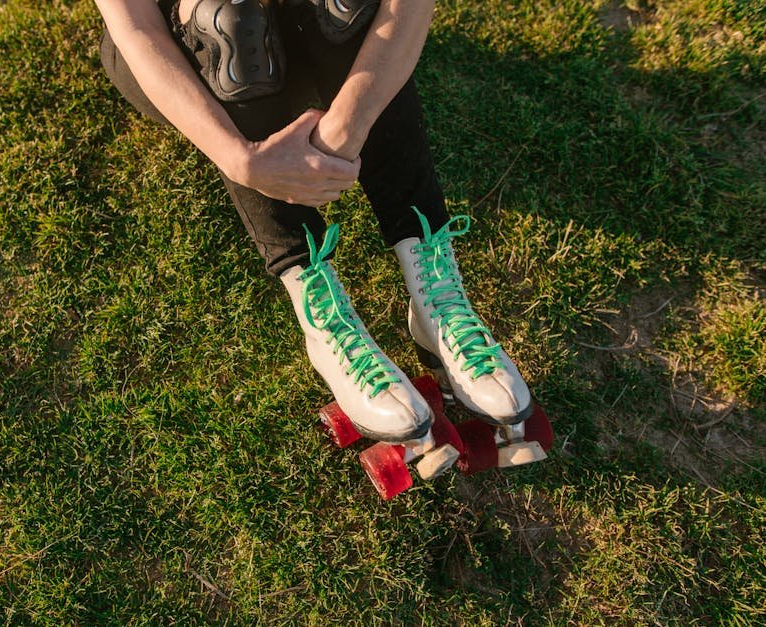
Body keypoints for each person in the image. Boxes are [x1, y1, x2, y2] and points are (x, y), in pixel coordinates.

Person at [93, 0, 532, 443]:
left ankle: (434, 290)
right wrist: (241, 160)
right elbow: (137, 30)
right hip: (190, 55)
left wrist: (349, 124)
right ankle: (317, 302)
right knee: (231, 21)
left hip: (306, 33)